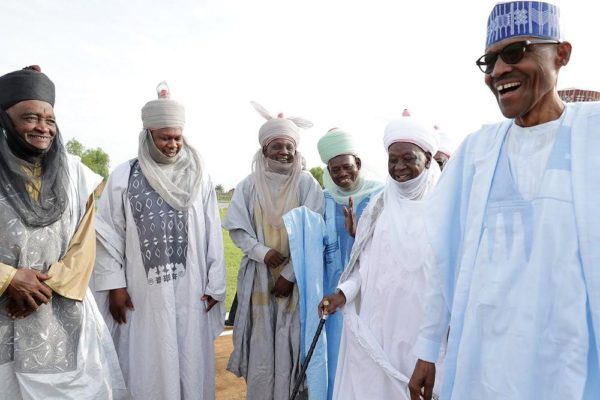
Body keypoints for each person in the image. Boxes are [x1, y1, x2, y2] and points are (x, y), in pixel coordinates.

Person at [408, 2, 600, 399]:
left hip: (570, 364)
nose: (498, 72)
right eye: (490, 60)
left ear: (561, 53)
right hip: (485, 364)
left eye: (516, 53)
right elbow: (442, 256)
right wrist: (428, 349)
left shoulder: (592, 136)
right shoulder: (477, 152)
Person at [0, 65, 128, 399]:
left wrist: (41, 288)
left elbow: (82, 247)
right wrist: (9, 278)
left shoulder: (75, 174)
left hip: (58, 313)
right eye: (30, 118)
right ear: (5, 119)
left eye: (50, 120)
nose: (42, 127)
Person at [93, 82, 226, 400]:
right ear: (148, 135)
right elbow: (108, 235)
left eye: (178, 137)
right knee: (148, 366)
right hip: (142, 295)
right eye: (165, 137)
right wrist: (115, 286)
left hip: (192, 291)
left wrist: (215, 284)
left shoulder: (199, 175)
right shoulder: (124, 176)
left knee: (191, 363)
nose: (173, 144)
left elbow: (212, 232)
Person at [319, 115, 443, 399]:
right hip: (379, 323)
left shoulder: (444, 206)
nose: (399, 168)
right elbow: (364, 266)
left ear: (426, 157)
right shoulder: (379, 206)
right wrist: (343, 293)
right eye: (392, 160)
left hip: (424, 330)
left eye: (408, 158)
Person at [224, 102, 324, 400]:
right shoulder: (248, 186)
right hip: (259, 280)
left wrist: (290, 274)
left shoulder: (307, 184)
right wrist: (262, 252)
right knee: (262, 346)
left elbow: (314, 232)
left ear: (296, 150)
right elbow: (238, 227)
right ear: (264, 150)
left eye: (288, 146)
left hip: (296, 284)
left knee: (292, 345)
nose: (283, 152)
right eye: (276, 146)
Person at [316, 127, 382, 398]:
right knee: (335, 354)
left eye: (347, 166)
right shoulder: (323, 198)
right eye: (334, 170)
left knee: (367, 357)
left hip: (369, 289)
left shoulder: (381, 195)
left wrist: (358, 235)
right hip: (333, 289)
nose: (342, 174)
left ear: (359, 164)